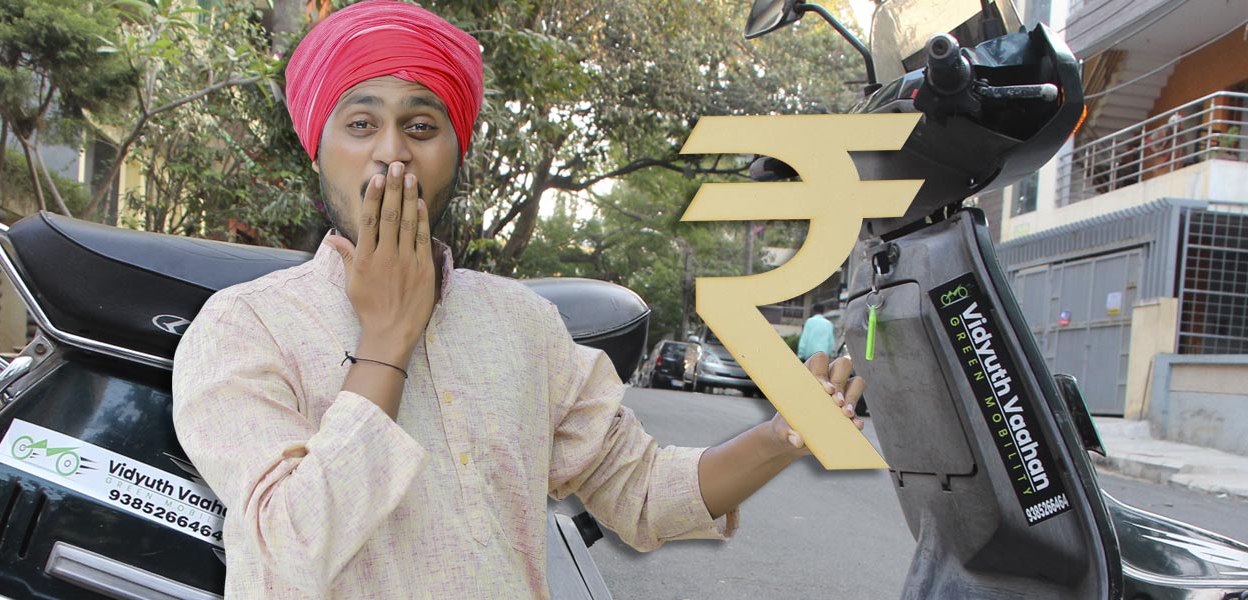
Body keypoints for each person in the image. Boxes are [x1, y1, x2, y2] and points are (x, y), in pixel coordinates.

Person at [171, 2, 867, 597]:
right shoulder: (245, 327)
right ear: (316, 149)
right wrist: (386, 340)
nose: (392, 153)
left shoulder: (521, 323)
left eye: (421, 126)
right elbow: (287, 551)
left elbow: (644, 492)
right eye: (359, 125)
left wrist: (780, 435)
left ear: (456, 152)